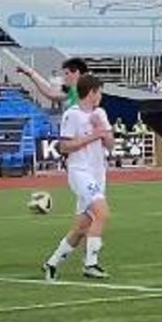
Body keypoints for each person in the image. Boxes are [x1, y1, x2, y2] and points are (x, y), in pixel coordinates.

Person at [42, 74, 115, 280]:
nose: (101, 96)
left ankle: (51, 264)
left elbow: (110, 144)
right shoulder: (72, 115)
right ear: (91, 92)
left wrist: (101, 129)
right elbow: (65, 146)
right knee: (102, 213)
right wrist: (94, 134)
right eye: (99, 92)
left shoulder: (100, 113)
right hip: (79, 171)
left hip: (98, 173)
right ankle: (90, 264)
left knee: (82, 227)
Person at [17, 57, 88, 109]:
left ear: (77, 73)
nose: (64, 77)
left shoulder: (88, 92)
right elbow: (50, 93)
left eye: (67, 73)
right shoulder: (72, 92)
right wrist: (31, 75)